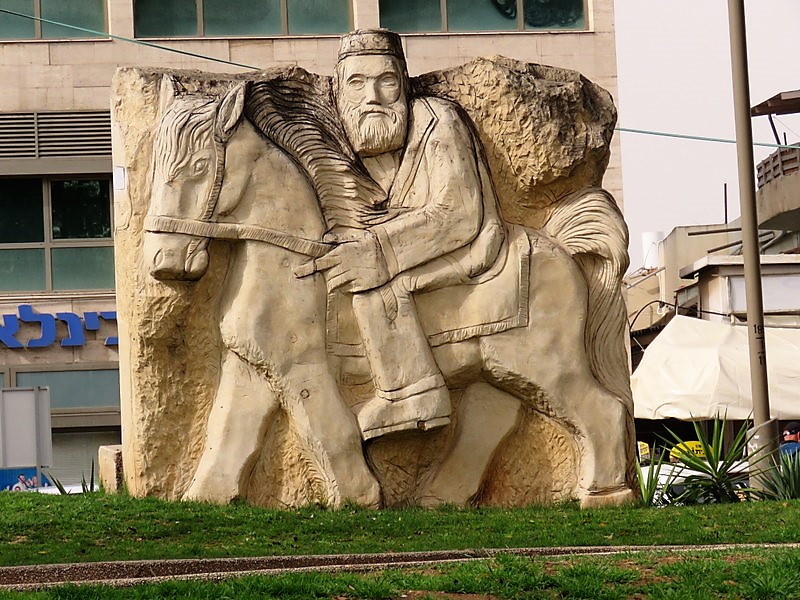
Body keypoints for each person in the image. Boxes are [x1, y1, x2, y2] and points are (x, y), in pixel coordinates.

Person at [307, 29, 506, 440]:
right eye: (357, 83)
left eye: (386, 81)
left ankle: (412, 395)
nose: (373, 97)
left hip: (467, 243)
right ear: (339, 91)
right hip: (406, 242)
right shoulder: (336, 138)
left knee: (375, 286)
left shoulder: (438, 121)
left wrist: (379, 253)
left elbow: (459, 212)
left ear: (404, 84)